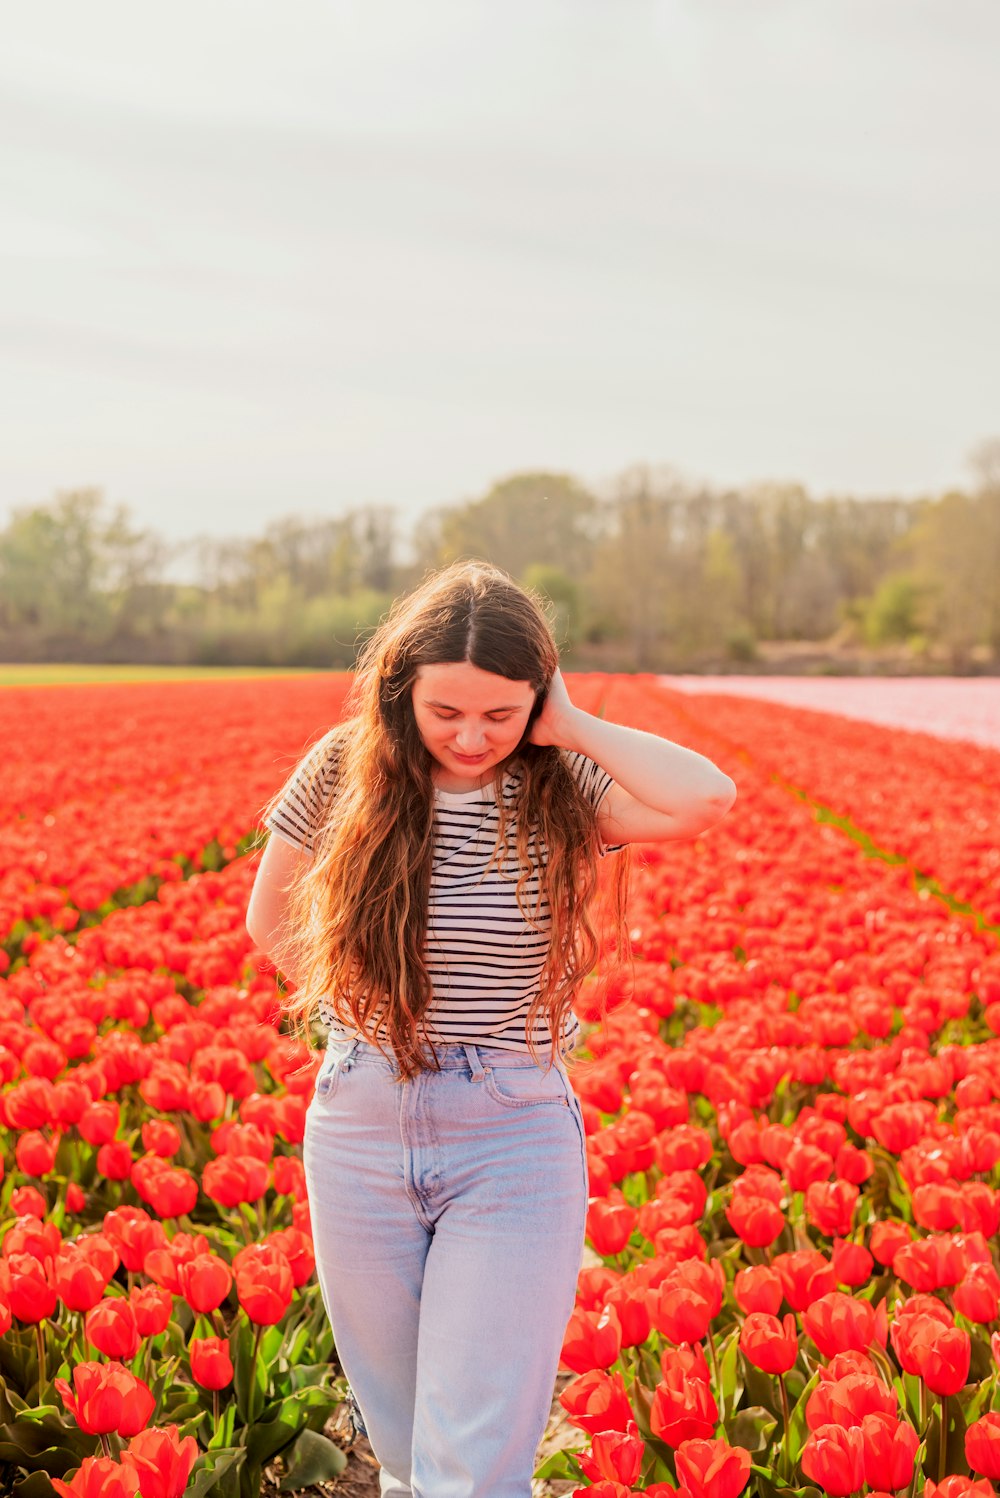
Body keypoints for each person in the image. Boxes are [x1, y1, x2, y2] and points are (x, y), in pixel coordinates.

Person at [245, 561, 736, 1498]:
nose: (473, 737)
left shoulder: (561, 785)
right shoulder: (343, 770)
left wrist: (569, 726)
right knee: (401, 1449)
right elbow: (272, 920)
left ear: (537, 699)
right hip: (360, 1119)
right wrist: (367, 1011)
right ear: (401, 694)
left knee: (471, 1463)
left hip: (509, 1128)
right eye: (446, 712)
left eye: (501, 714)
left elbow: (706, 799)